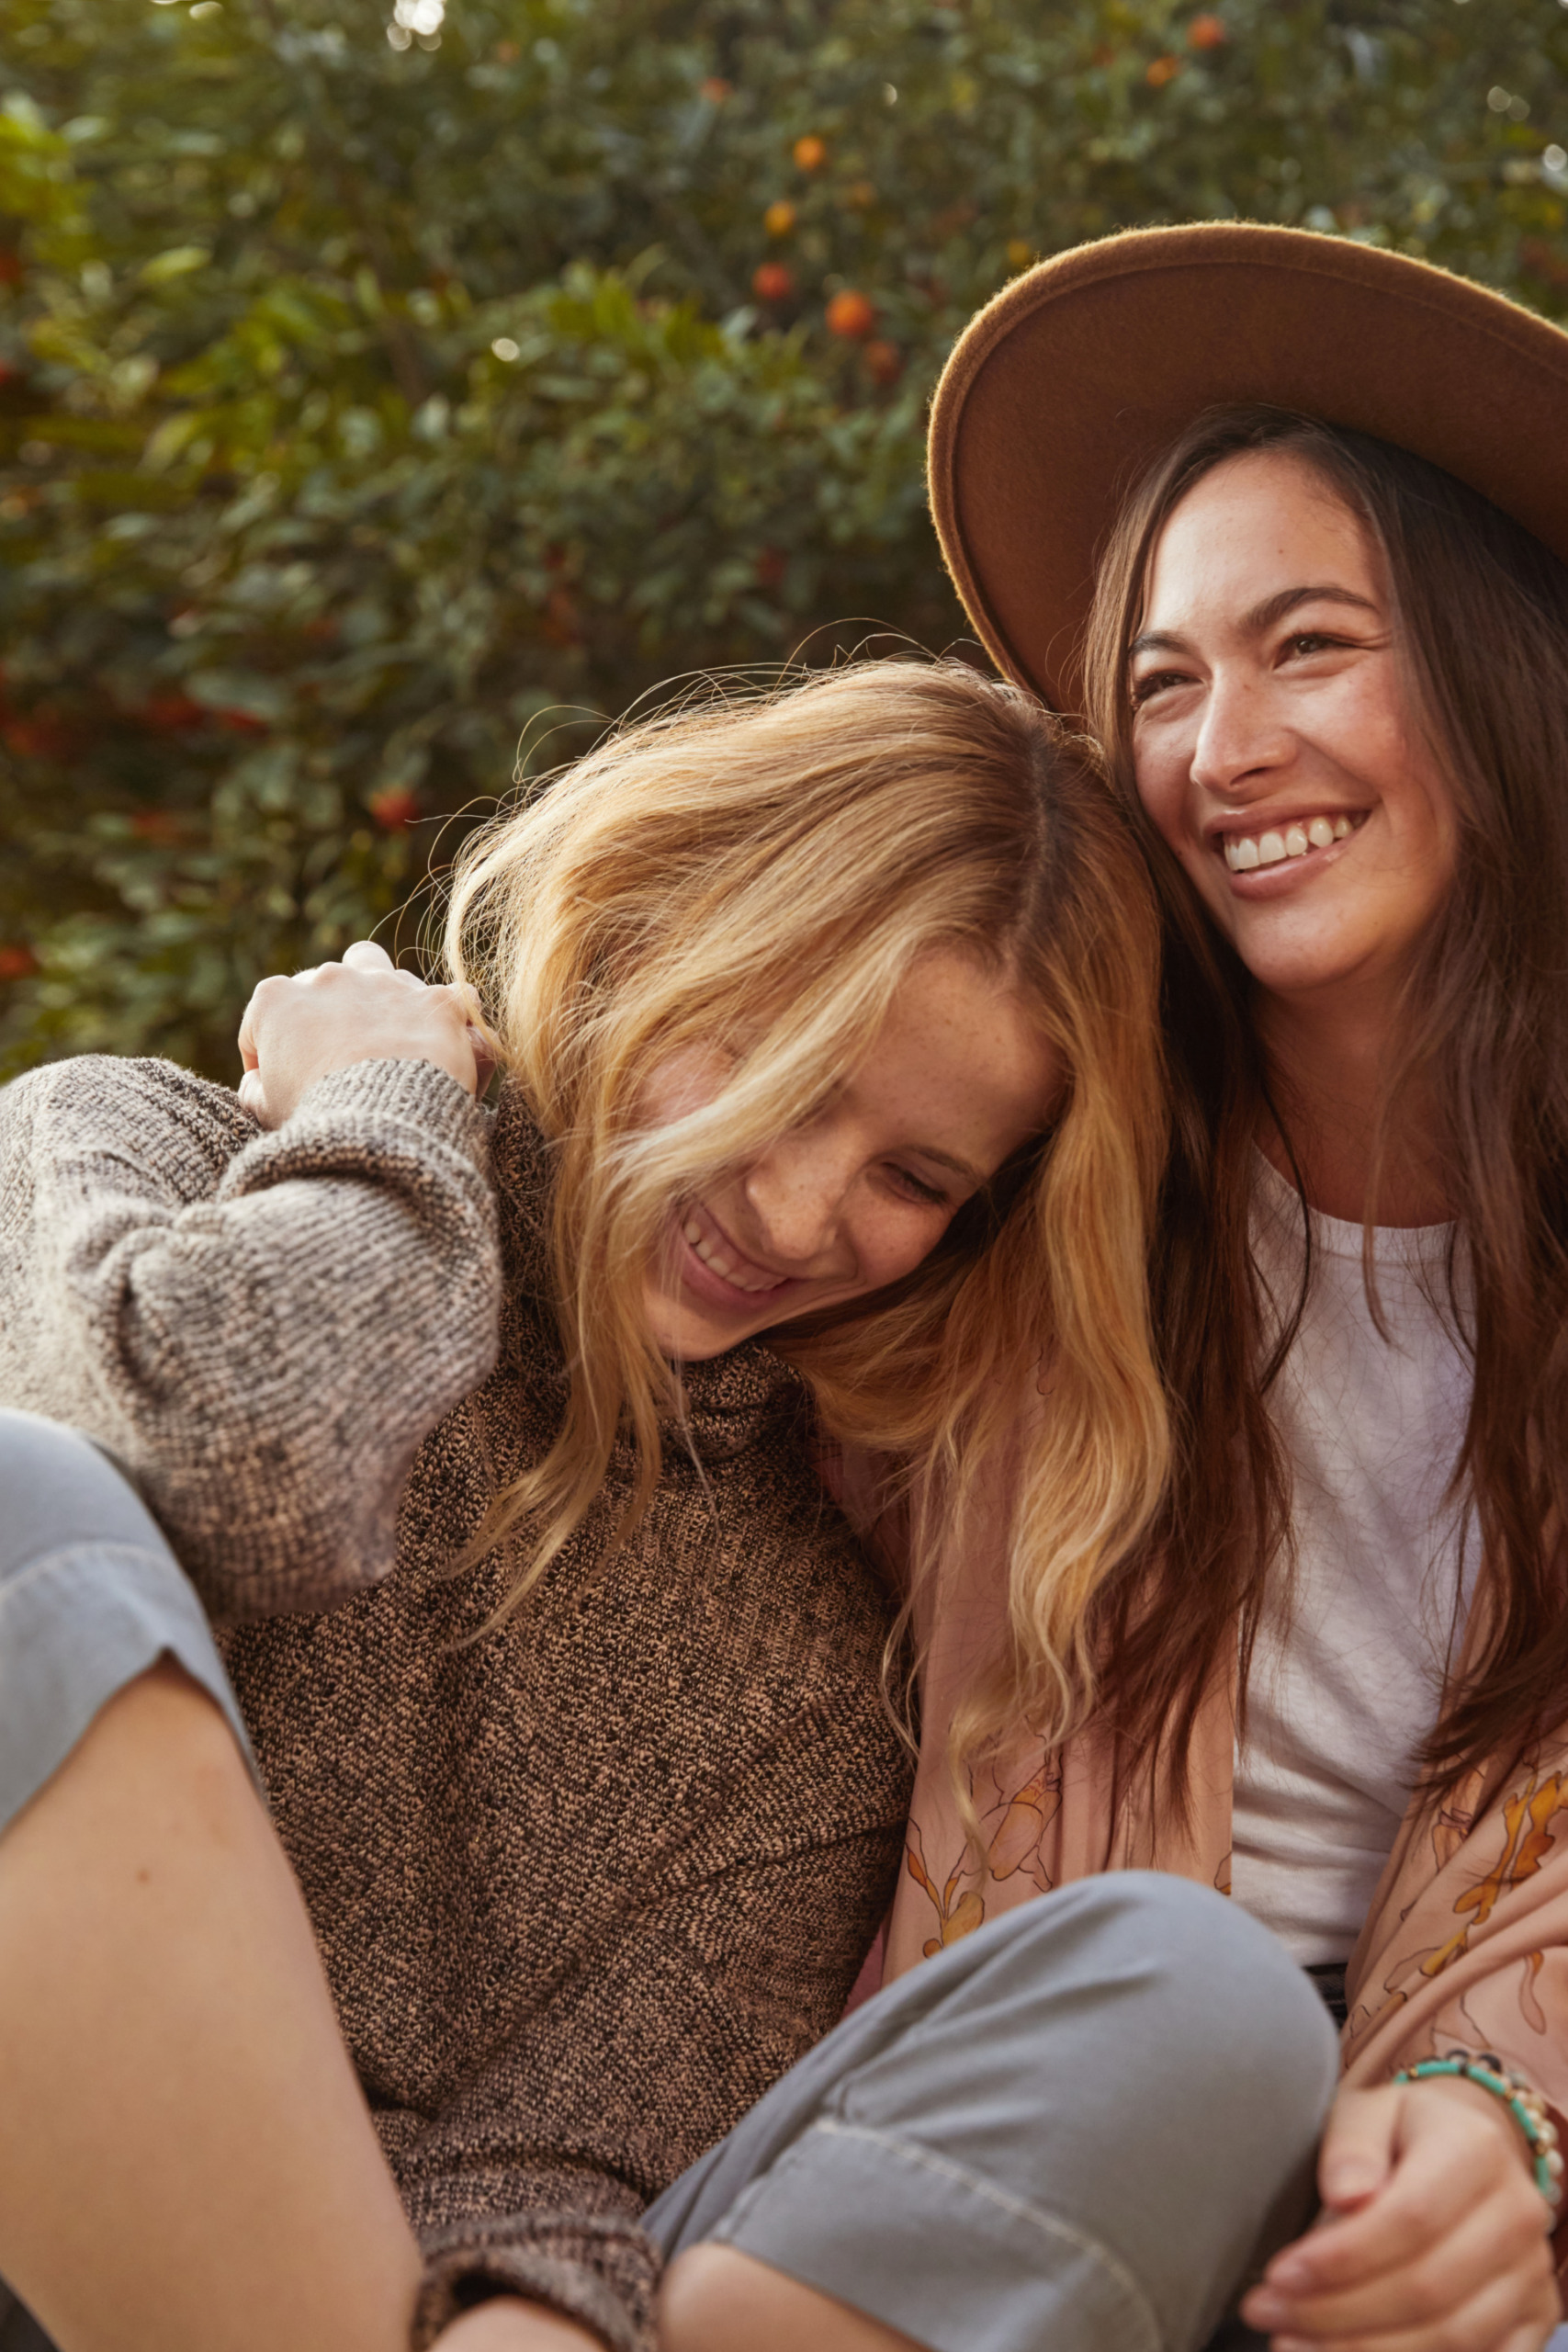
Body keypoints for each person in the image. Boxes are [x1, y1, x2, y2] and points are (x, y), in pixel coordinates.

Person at [0, 656, 1337, 2352]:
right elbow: (225, 1473)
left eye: (916, 1177)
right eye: (770, 1055)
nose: (792, 1206)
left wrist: (526, 2318)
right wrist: (388, 1123)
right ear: (634, 927)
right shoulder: (132, 1152)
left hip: (431, 2314)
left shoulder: (813, 1675)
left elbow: (584, 2160)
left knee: (1200, 2004)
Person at [905, 222, 1568, 2352]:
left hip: (1469, 2104)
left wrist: (1512, 2103)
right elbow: (695, 1138)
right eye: (1164, 680)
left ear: (1487, 671)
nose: (1223, 747)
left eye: (1307, 644)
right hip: (1071, 2067)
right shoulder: (1039, 1161)